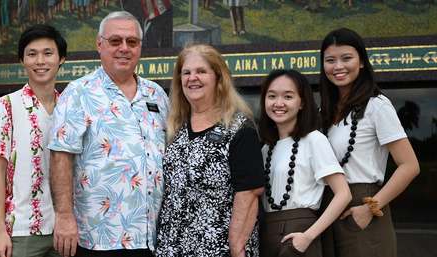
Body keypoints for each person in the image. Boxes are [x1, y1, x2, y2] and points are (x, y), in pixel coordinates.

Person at [48, 11, 170, 257]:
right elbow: (60, 158)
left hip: (151, 238)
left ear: (140, 47)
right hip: (99, 238)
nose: (124, 48)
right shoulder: (78, 93)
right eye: (115, 41)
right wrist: (63, 216)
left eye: (132, 42)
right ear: (99, 44)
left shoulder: (157, 95)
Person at [318, 28, 420, 257]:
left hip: (362, 205)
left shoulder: (377, 106)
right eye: (330, 60)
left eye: (347, 58)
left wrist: (370, 208)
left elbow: (410, 165)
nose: (338, 67)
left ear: (362, 61)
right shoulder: (323, 113)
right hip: (329, 207)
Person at [155, 44, 263, 257]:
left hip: (219, 248)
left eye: (201, 71)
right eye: (186, 73)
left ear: (218, 78)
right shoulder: (175, 127)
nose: (192, 78)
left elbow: (249, 192)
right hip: (172, 247)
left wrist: (237, 246)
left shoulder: (238, 127)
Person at [0, 24, 67, 257]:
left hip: (65, 230)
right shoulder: (7, 106)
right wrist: (0, 229)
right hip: (21, 230)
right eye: (32, 54)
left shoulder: (70, 108)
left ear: (61, 58)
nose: (40, 61)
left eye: (48, 53)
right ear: (22, 61)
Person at [257, 69, 351, 257]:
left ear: (302, 103)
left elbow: (343, 194)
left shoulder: (314, 140)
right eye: (272, 96)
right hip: (267, 232)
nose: (278, 103)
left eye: (288, 96)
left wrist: (308, 236)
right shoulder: (266, 150)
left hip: (299, 232)